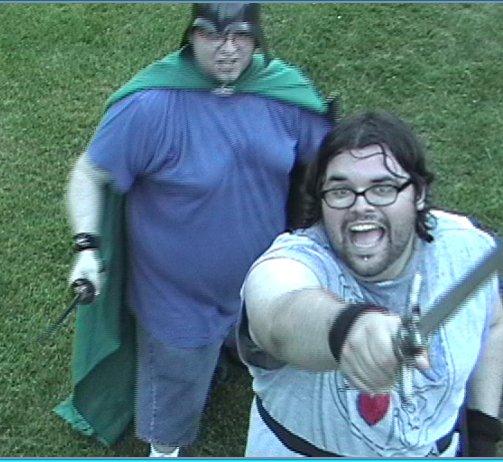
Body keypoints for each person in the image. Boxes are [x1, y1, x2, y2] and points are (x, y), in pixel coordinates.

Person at [56, 2, 332, 457]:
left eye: (240, 36)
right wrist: (86, 247)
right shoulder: (149, 107)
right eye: (212, 35)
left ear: (256, 39)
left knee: (280, 361)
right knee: (174, 396)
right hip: (176, 300)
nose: (227, 49)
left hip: (269, 283)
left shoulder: (283, 96)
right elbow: (89, 173)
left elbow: (333, 164)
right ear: (191, 36)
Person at [238, 111, 503, 457]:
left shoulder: (467, 249)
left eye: (383, 188)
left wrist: (482, 431)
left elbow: (493, 323)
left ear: (419, 194)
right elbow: (277, 314)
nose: (361, 205)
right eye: (340, 191)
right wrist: (349, 330)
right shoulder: (294, 261)